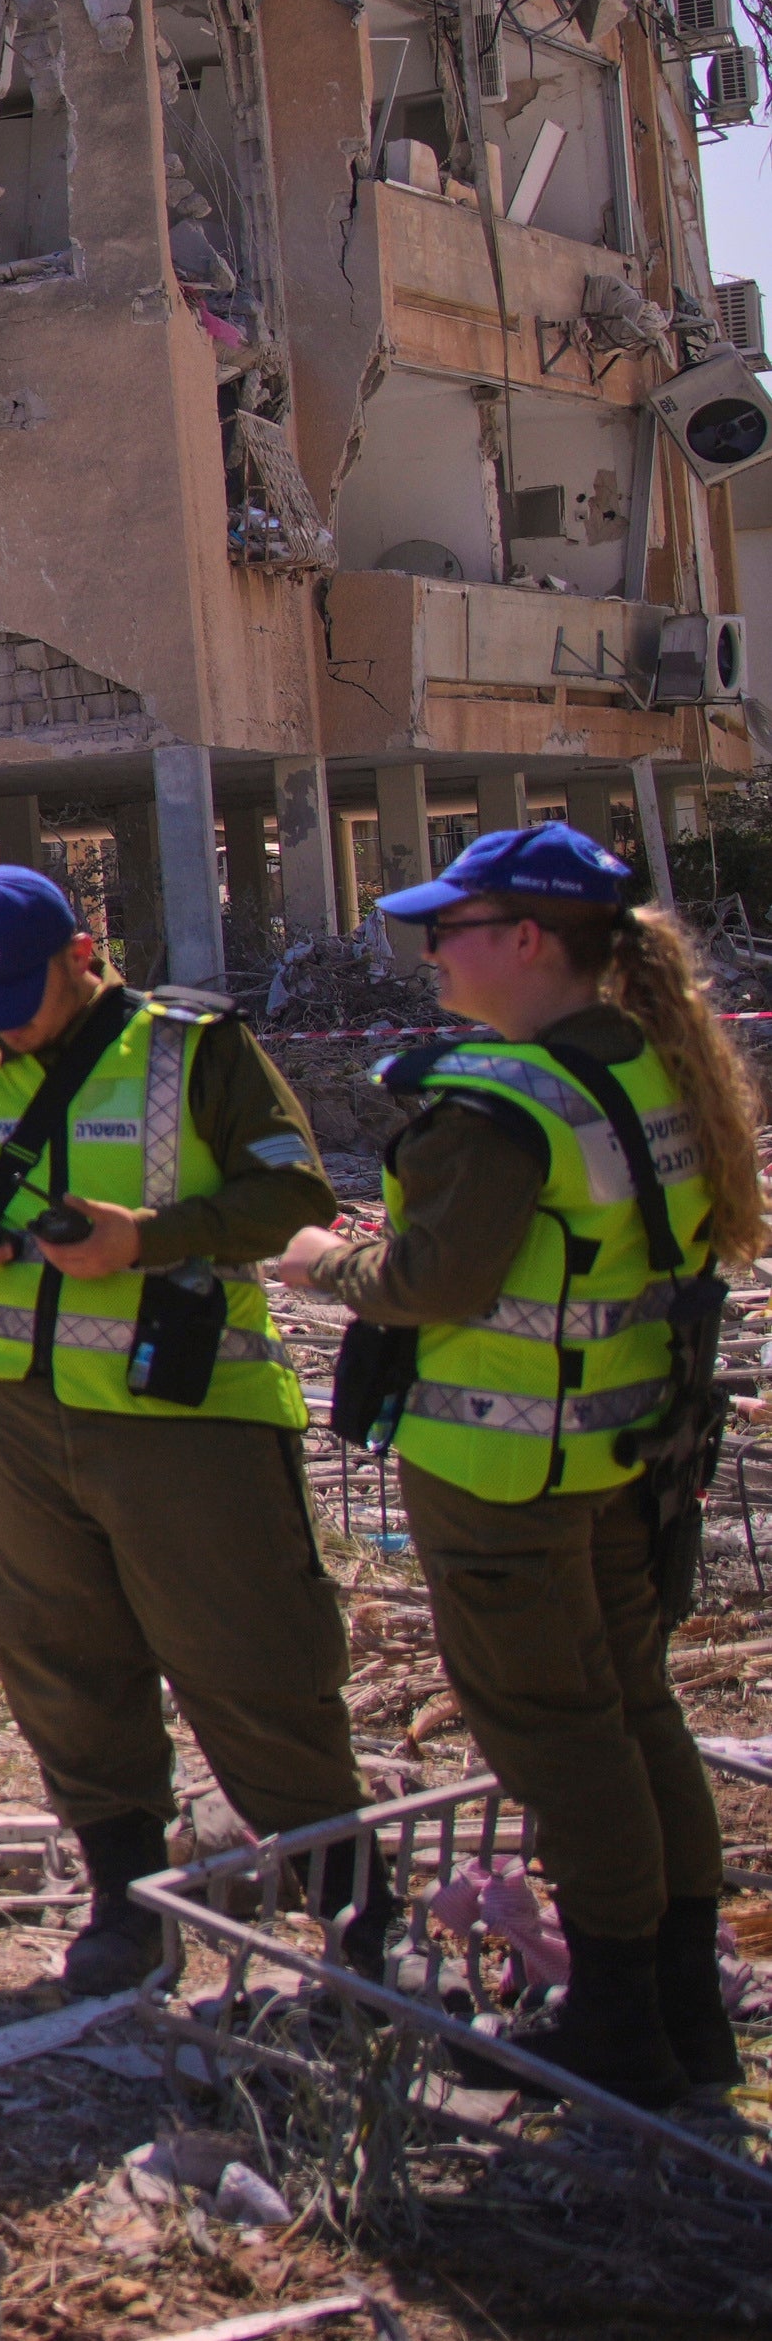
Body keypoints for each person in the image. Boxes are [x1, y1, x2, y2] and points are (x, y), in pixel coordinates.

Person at [277, 825, 755, 2109]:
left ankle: (614, 2025)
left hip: (504, 1476)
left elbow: (430, 1281)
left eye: (453, 927)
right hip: (617, 1455)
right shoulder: (647, 1066)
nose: (430, 949)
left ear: (527, 941)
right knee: (634, 1709)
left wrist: (318, 1257)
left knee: (559, 1734)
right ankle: (681, 2013)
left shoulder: (500, 1102)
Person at [0, 865, 363, 1993]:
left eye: (22, 1003)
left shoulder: (199, 1051)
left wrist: (149, 1235)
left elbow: (294, 1198)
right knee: (60, 1660)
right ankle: (126, 1900)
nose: (3, 1032)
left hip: (183, 1417)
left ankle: (354, 1915)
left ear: (83, 955)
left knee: (254, 1659)